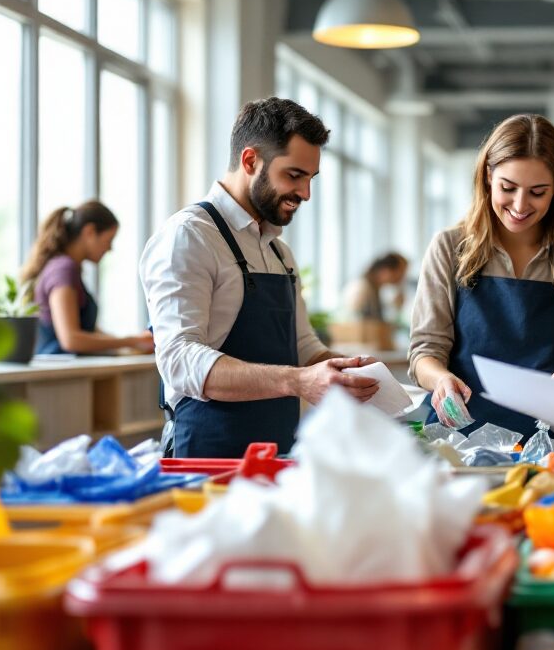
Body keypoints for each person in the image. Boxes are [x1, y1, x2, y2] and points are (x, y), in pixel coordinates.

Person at [141, 97, 379, 458]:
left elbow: (303, 348)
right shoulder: (189, 236)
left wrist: (347, 371)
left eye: (310, 178)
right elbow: (178, 360)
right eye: (294, 176)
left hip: (277, 452)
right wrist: (298, 381)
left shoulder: (279, 253)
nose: (305, 193)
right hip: (207, 457)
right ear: (250, 161)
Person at [409, 114, 554, 447]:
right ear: (488, 177)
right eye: (508, 188)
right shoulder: (449, 247)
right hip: (461, 438)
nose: (520, 205)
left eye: (537, 192)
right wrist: (441, 380)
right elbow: (425, 353)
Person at [20, 202, 154, 355]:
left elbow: (87, 330)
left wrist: (134, 343)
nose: (109, 249)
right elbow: (71, 339)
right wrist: (132, 341)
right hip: (60, 371)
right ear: (90, 231)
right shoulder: (63, 269)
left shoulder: (67, 268)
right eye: (108, 241)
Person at [342, 252, 409, 323]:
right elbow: (353, 322)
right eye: (401, 272)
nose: (402, 278)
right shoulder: (360, 288)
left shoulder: (377, 290)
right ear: (386, 270)